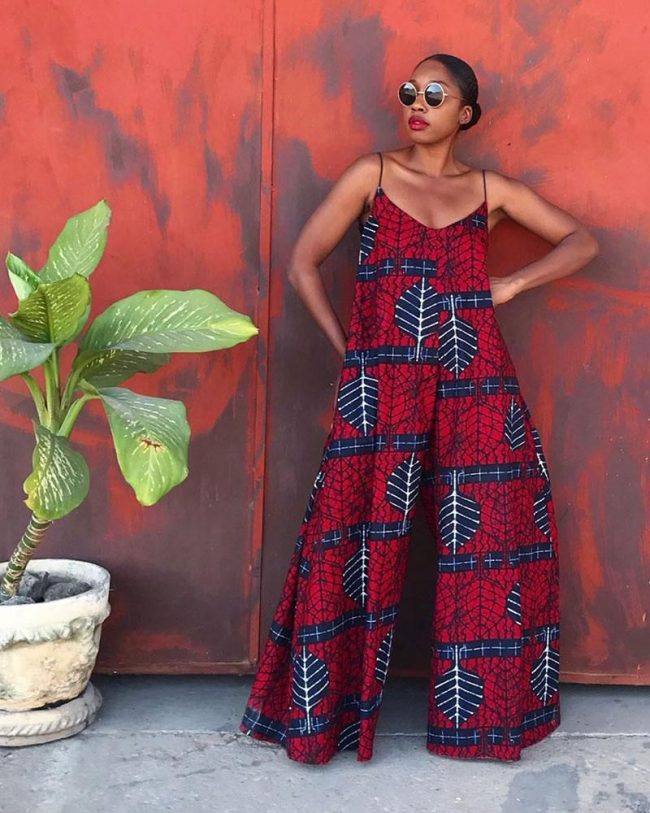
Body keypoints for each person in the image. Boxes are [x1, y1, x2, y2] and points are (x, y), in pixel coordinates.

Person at [239, 52, 599, 765]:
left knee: (489, 543)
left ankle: (484, 725)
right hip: (383, 387)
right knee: (352, 536)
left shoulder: (489, 189)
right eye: (410, 92)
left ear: (465, 113)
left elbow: (582, 240)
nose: (417, 104)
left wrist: (511, 284)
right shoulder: (371, 176)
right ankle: (323, 720)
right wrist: (354, 352)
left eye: (435, 95)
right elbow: (302, 262)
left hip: (477, 385)